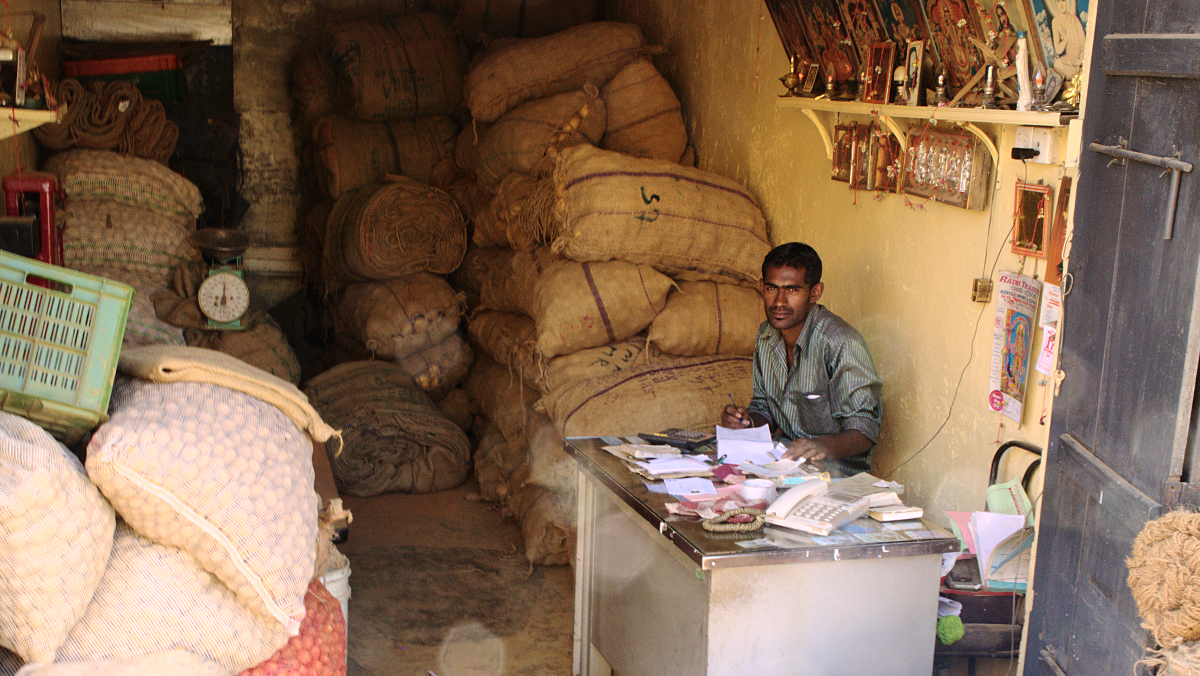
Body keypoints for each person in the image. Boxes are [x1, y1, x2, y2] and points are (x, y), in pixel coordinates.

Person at [721, 243, 883, 478]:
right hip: (780, 465)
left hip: (835, 476)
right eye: (772, 288)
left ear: (815, 293)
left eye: (792, 290)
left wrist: (821, 446)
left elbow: (864, 431)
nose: (779, 301)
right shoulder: (766, 335)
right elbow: (763, 406)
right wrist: (746, 422)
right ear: (762, 287)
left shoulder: (840, 342)